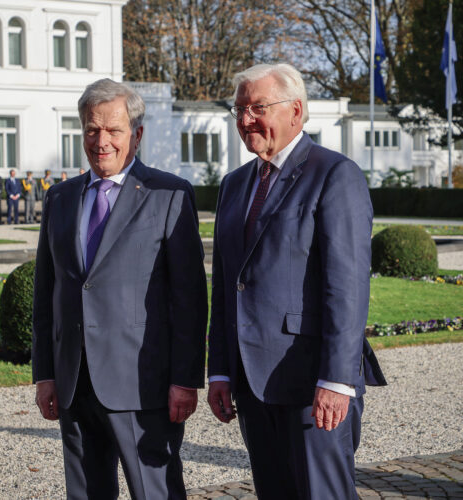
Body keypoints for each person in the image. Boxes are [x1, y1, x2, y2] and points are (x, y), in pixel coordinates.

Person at [206, 63, 386, 499]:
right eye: (239, 109)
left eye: (258, 107)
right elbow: (228, 282)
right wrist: (220, 370)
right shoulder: (234, 185)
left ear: (296, 112)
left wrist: (337, 380)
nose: (246, 119)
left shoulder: (334, 175)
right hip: (251, 383)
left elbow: (347, 288)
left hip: (312, 383)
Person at [33, 78, 207, 499]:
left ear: (137, 135)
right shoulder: (60, 198)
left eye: (113, 130)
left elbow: (189, 298)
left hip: (143, 386)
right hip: (75, 384)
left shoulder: (169, 195)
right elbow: (47, 292)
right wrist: (46, 374)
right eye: (92, 129)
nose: (101, 140)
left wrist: (185, 379)